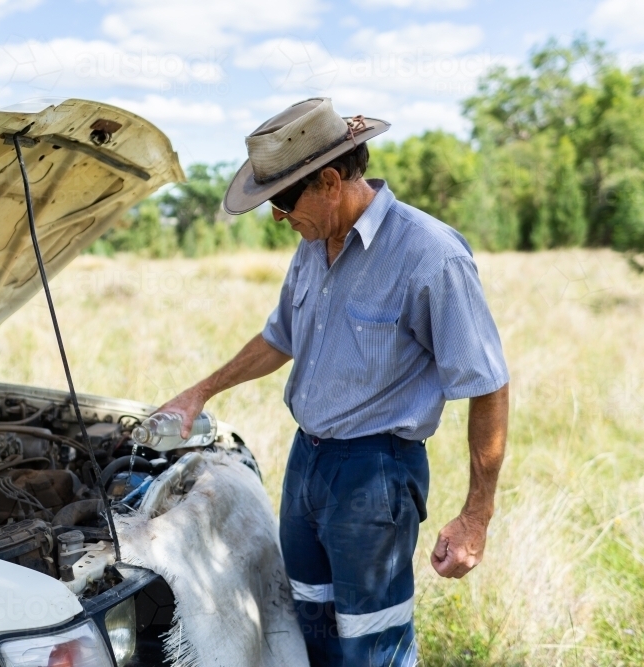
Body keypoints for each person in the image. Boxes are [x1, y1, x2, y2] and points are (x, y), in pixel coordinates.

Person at [157, 97, 509, 667]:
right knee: (310, 626)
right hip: (308, 466)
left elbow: (487, 384)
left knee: (373, 644)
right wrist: (200, 391)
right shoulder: (313, 247)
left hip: (376, 476)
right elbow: (280, 339)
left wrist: (476, 517)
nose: (276, 216)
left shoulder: (430, 255)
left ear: (328, 180)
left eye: (281, 200)